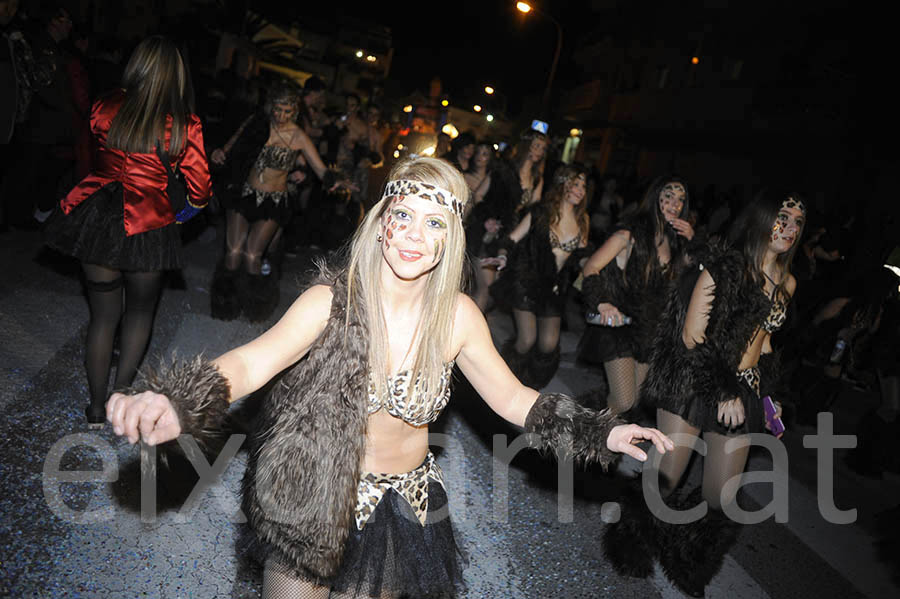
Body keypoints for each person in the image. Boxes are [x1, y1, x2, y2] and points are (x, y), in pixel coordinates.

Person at [106, 156, 673, 599]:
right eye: (402, 216)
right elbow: (252, 361)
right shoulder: (331, 301)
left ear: (450, 240)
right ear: (381, 223)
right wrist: (177, 401)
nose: (412, 236)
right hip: (315, 497)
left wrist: (603, 433)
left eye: (433, 224)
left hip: (402, 507)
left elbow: (512, 399)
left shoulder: (457, 317)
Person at [603, 190, 805, 596]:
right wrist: (723, 388)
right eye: (782, 217)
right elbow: (693, 337)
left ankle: (688, 558)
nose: (790, 228)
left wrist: (768, 395)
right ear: (763, 220)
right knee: (667, 475)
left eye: (799, 222)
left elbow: (764, 345)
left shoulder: (788, 281)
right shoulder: (726, 270)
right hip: (696, 381)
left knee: (722, 496)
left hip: (742, 388)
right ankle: (629, 544)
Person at [43, 35, 212, 427]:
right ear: (177, 75)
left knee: (103, 317)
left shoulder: (105, 105)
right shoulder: (184, 123)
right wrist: (182, 216)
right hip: (148, 224)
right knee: (138, 312)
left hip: (96, 216)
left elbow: (92, 149)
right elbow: (200, 190)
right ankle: (120, 397)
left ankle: (96, 407)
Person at [208, 80, 341, 322]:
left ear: (295, 111)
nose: (280, 115)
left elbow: (319, 168)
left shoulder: (298, 136)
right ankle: (225, 302)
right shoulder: (258, 123)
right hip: (245, 194)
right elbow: (230, 147)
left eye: (287, 110)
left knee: (251, 255)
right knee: (234, 250)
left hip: (274, 201)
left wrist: (335, 181)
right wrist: (219, 153)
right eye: (277, 109)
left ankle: (256, 305)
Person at [578, 176, 696, 414]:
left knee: (632, 400)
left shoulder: (677, 245)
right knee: (623, 400)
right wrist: (601, 303)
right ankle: (590, 433)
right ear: (655, 199)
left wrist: (693, 242)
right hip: (620, 325)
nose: (675, 204)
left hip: (649, 331)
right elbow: (591, 267)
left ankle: (592, 426)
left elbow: (697, 279)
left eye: (681, 200)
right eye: (669, 197)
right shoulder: (629, 234)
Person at [485, 164, 592, 389]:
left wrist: (593, 270)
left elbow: (581, 256)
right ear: (563, 183)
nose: (580, 189)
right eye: (575, 183)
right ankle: (501, 385)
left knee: (548, 344)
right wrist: (503, 256)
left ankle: (529, 385)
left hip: (554, 288)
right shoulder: (540, 212)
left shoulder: (583, 220)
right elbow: (511, 239)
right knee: (526, 340)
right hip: (526, 280)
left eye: (583, 185)